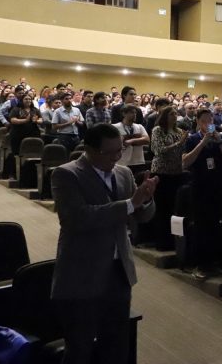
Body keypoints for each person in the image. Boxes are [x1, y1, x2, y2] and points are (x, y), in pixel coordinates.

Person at [51, 123, 157, 364]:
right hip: (82, 273)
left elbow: (141, 215)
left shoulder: (124, 173)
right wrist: (130, 203)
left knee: (117, 344)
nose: (116, 157)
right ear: (89, 150)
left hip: (118, 271)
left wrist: (146, 200)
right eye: (109, 152)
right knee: (80, 347)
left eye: (119, 150)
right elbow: (76, 218)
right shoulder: (66, 174)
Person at [182, 108, 222, 280]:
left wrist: (219, 143)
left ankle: (215, 263)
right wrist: (202, 143)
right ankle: (200, 265)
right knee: (201, 226)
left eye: (210, 120)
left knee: (217, 225)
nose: (207, 124)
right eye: (204, 121)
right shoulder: (192, 139)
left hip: (218, 186)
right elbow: (185, 162)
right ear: (198, 122)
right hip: (199, 187)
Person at [149, 106, 188, 251]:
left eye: (176, 114)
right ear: (165, 116)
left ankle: (174, 242)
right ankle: (162, 242)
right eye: (171, 114)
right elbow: (158, 150)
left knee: (174, 208)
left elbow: (183, 151)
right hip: (161, 172)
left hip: (176, 172)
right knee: (162, 208)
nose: (175, 116)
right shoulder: (158, 130)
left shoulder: (179, 131)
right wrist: (179, 143)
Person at [113, 105, 150, 175]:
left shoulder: (139, 126)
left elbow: (147, 140)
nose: (134, 115)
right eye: (132, 112)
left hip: (137, 161)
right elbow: (117, 142)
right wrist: (138, 138)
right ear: (124, 114)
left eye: (135, 113)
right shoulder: (115, 127)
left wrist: (131, 140)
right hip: (121, 162)